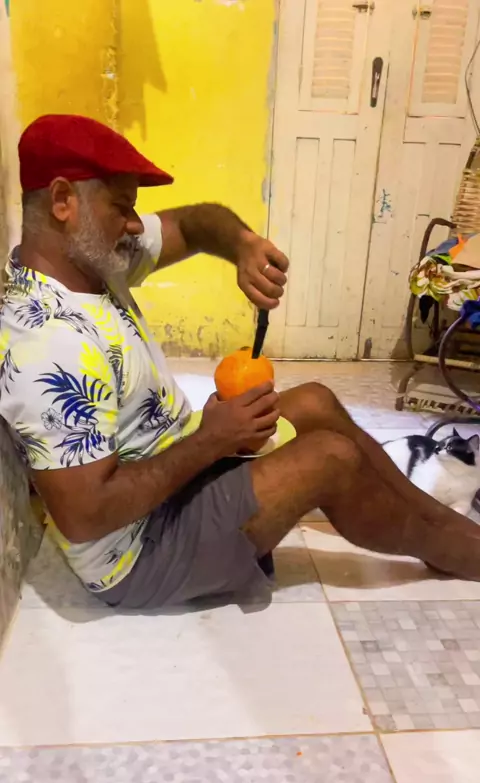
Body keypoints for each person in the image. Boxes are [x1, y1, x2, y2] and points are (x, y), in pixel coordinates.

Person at [0, 114, 479, 611]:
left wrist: (244, 247)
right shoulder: (47, 343)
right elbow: (87, 516)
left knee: (315, 402)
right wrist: (211, 440)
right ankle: (455, 547)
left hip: (171, 478)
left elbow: (194, 223)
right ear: (63, 201)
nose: (135, 224)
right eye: (122, 208)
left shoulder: (91, 262)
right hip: (140, 551)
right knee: (331, 459)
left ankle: (439, 522)